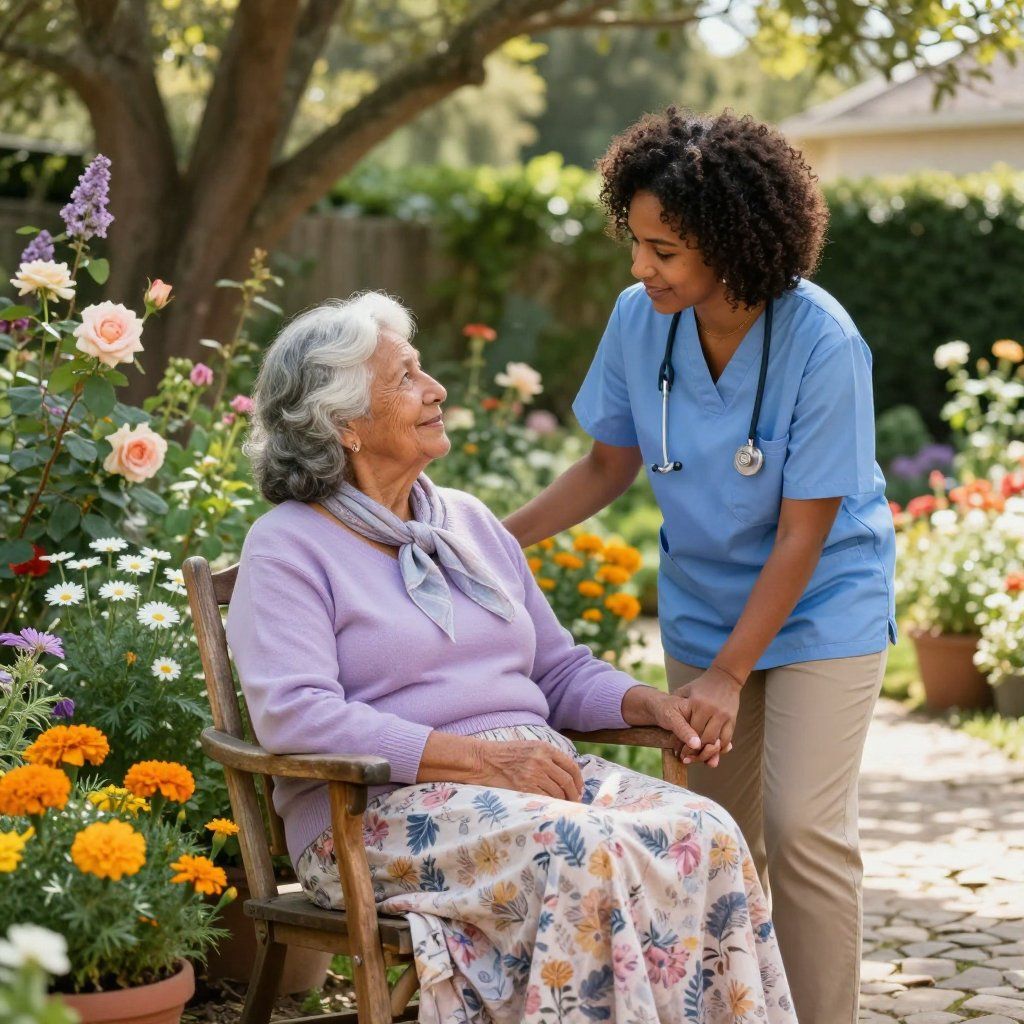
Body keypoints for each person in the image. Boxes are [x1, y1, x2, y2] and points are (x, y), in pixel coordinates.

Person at [226, 291, 796, 1023]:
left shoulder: (464, 520)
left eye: (423, 369)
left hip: (534, 781)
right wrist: (483, 761)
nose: (436, 390)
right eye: (405, 379)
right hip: (374, 811)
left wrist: (644, 703)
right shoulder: (289, 546)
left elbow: (556, 670)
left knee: (708, 833)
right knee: (586, 852)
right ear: (346, 427)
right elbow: (295, 716)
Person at [504, 109, 897, 1024]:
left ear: (729, 242)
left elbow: (805, 534)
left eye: (666, 250)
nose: (642, 268)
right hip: (704, 605)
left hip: (823, 604)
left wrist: (730, 674)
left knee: (803, 830)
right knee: (711, 839)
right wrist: (489, 535)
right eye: (637, 243)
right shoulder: (643, 321)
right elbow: (607, 464)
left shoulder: (822, 343)